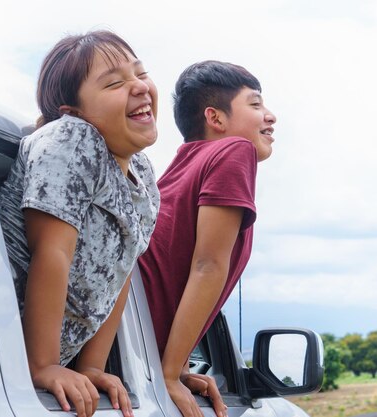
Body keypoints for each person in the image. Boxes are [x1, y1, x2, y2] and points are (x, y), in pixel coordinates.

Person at [0, 30, 159, 417]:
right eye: (116, 82)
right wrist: (44, 365)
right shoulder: (70, 138)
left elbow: (120, 275)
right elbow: (51, 252)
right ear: (73, 111)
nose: (139, 87)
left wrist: (91, 368)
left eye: (141, 73)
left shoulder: (143, 174)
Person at [138, 60, 277, 417]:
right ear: (215, 119)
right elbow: (206, 265)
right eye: (256, 105)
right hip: (135, 359)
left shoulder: (178, 171)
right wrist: (167, 376)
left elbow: (166, 268)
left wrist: (179, 365)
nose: (271, 117)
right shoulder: (234, 150)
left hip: (129, 351)